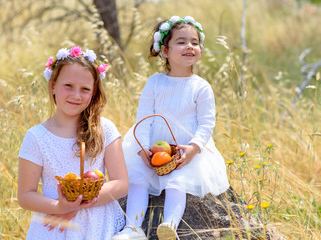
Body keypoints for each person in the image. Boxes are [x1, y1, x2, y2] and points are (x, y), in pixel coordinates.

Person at [112, 16, 230, 240]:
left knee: (178, 181)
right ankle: (133, 228)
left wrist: (194, 148)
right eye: (182, 42)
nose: (190, 47)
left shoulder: (201, 87)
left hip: (185, 150)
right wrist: (142, 148)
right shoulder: (155, 82)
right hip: (153, 147)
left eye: (195, 43)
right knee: (138, 179)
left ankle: (169, 226)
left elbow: (206, 123)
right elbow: (144, 118)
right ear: (165, 51)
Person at [18, 46, 129, 240]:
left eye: (85, 89)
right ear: (53, 85)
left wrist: (77, 205)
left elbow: (121, 183)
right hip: (54, 226)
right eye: (68, 85)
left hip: (98, 223)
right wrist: (60, 207)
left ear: (93, 93)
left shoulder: (105, 129)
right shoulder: (36, 136)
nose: (76, 95)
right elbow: (25, 196)